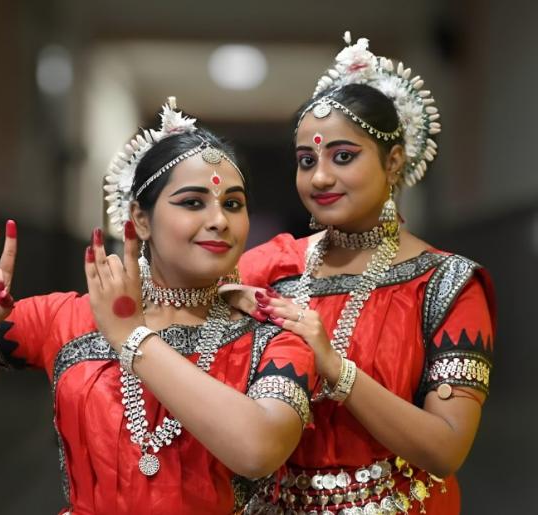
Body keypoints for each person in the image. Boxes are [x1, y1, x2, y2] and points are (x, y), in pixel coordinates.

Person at [0, 98, 317, 515]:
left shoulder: (272, 336)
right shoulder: (69, 319)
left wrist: (132, 338)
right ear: (142, 219)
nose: (219, 220)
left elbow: (258, 450)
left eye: (233, 204)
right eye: (193, 202)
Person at [231, 33, 495, 515]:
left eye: (343, 156)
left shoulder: (447, 284)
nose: (319, 177)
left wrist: (336, 369)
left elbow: (446, 448)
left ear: (393, 162)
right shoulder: (270, 267)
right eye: (306, 161)